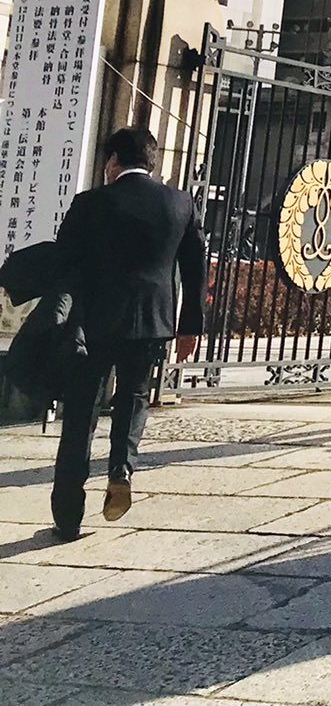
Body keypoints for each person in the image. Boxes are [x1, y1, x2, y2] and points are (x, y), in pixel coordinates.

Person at [49, 126, 206, 540]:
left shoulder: (90, 203)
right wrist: (190, 325)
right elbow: (195, 267)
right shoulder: (179, 203)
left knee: (80, 412)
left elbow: (63, 262)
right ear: (151, 161)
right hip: (153, 321)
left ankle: (68, 513)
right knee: (134, 397)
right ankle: (121, 469)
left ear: (114, 161)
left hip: (94, 323)